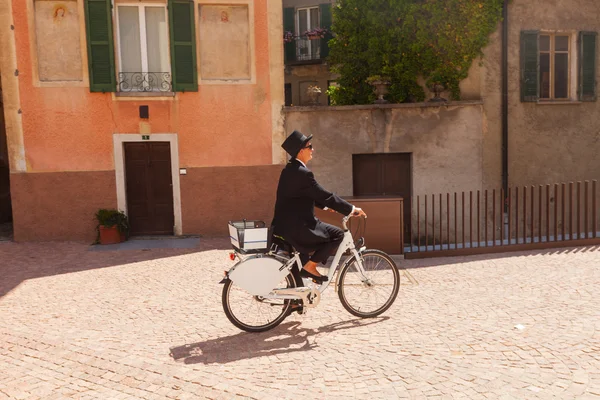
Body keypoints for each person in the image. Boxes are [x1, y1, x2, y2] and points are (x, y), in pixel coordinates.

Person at [271, 130, 367, 283]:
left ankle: (295, 303)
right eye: (310, 146)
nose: (312, 150)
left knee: (298, 272)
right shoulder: (303, 173)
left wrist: (325, 207)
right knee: (337, 235)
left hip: (285, 227)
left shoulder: (289, 170)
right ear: (301, 151)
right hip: (298, 227)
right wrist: (351, 209)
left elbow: (304, 195)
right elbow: (325, 195)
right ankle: (311, 267)